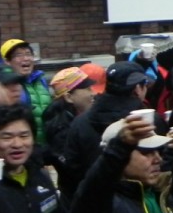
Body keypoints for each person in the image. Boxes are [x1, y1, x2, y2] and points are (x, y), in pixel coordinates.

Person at [59, 61, 154, 202]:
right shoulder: (145, 122)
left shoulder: (78, 124)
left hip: (90, 202)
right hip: (138, 202)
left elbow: (70, 173)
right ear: (138, 89)